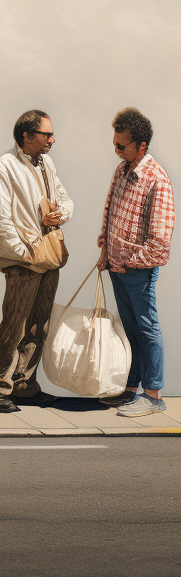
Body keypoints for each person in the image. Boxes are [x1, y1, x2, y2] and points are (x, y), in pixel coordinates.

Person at [0, 109, 72, 413]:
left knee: (38, 324)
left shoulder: (46, 163)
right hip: (24, 259)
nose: (53, 139)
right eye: (47, 134)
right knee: (14, 322)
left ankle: (24, 385)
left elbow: (64, 198)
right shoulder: (5, 166)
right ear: (27, 135)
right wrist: (23, 253)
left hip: (47, 253)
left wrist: (63, 213)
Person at [97, 107, 173, 417]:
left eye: (121, 145)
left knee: (147, 329)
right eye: (114, 143)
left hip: (136, 271)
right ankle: (130, 391)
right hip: (116, 266)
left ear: (141, 145)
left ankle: (153, 395)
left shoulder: (157, 180)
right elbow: (109, 213)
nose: (115, 150)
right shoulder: (122, 170)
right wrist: (105, 252)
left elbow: (160, 241)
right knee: (129, 330)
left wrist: (128, 262)